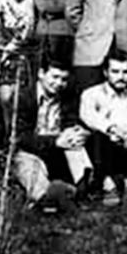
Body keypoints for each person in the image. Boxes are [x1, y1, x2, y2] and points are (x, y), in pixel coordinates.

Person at [77, 50, 127, 208]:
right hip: (106, 146)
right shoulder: (92, 93)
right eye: (115, 72)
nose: (121, 77)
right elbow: (88, 115)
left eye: (125, 72)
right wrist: (112, 129)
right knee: (96, 134)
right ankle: (108, 186)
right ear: (106, 73)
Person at [8, 59, 88, 213]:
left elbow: (71, 121)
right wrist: (55, 141)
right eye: (55, 77)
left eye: (64, 79)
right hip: (31, 149)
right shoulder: (23, 97)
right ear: (41, 74)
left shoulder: (68, 96)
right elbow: (20, 137)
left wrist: (75, 133)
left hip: (58, 150)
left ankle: (79, 192)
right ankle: (45, 198)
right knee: (28, 165)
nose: (59, 83)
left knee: (77, 148)